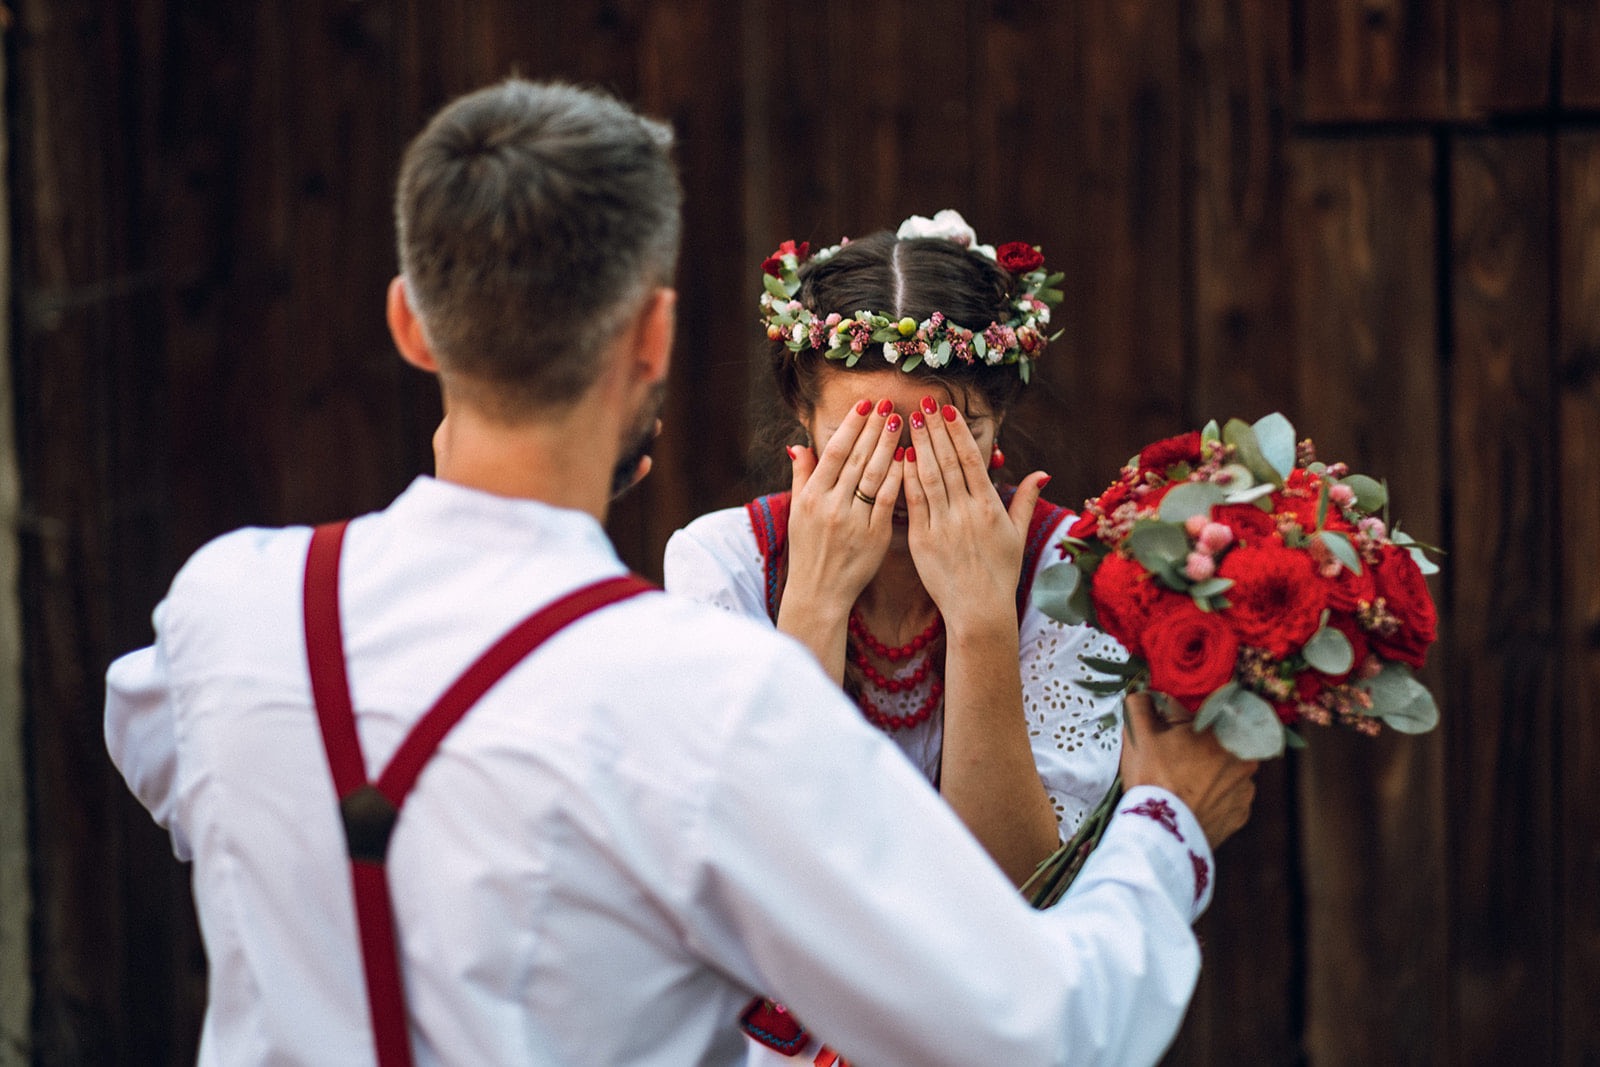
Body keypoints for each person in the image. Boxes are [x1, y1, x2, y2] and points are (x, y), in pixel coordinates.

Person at [105, 80, 1256, 1067]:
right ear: (650, 342)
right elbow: (1033, 1029)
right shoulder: (702, 690)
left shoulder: (227, 612)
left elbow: (162, 754)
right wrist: (1164, 820)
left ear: (413, 326)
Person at [662, 211, 1149, 1061]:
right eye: (865, 439)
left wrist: (983, 621)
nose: (899, 478)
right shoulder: (725, 564)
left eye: (940, 439)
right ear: (801, 421)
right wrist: (812, 605)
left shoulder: (1073, 573)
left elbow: (1024, 898)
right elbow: (760, 871)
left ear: (998, 424)